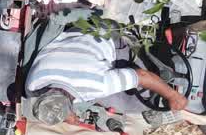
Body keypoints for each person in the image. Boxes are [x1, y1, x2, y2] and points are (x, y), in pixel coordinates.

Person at [25, 28, 188, 125]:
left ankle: (149, 108)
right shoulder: (33, 84)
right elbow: (57, 96)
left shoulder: (96, 85)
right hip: (74, 34)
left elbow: (142, 76)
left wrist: (171, 95)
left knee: (129, 103)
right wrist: (67, 113)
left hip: (105, 37)